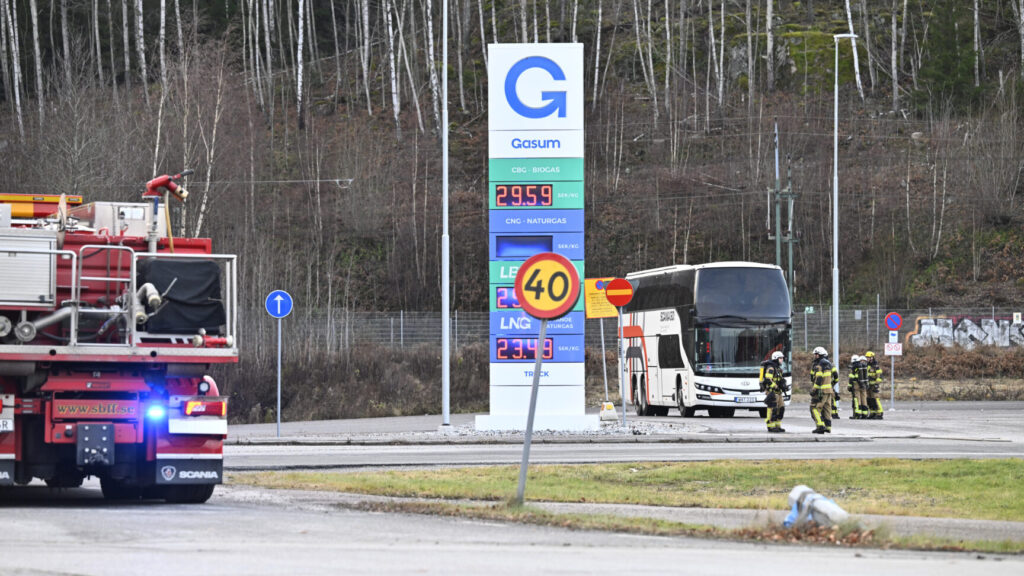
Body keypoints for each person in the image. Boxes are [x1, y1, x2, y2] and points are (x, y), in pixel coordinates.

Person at [809, 346, 836, 434]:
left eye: (816, 354)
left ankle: (820, 426)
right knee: (827, 409)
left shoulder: (819, 365)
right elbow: (836, 377)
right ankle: (828, 427)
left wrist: (814, 389)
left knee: (814, 408)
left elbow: (818, 379)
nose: (815, 356)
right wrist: (831, 386)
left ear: (821, 355)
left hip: (820, 391)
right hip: (829, 391)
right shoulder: (830, 364)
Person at [760, 350, 788, 433]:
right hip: (772, 392)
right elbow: (768, 380)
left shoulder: (778, 368)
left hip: (778, 392)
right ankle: (770, 426)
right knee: (773, 409)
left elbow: (779, 379)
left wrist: (783, 385)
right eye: (780, 358)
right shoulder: (771, 368)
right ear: (776, 358)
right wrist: (775, 386)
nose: (782, 360)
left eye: (782, 358)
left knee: (781, 408)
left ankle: (777, 426)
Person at [847, 355, 870, 419]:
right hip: (863, 384)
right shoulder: (862, 366)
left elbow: (851, 377)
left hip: (856, 384)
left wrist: (849, 386)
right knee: (864, 399)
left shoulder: (854, 367)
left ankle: (858, 414)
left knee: (857, 399)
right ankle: (864, 414)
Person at [864, 351, 885, 419]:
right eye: (866, 357)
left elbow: (880, 377)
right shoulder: (867, 365)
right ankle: (872, 412)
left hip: (874, 386)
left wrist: (876, 384)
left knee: (875, 399)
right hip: (868, 386)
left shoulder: (876, 366)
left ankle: (879, 413)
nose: (867, 359)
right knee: (869, 400)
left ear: (872, 357)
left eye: (868, 357)